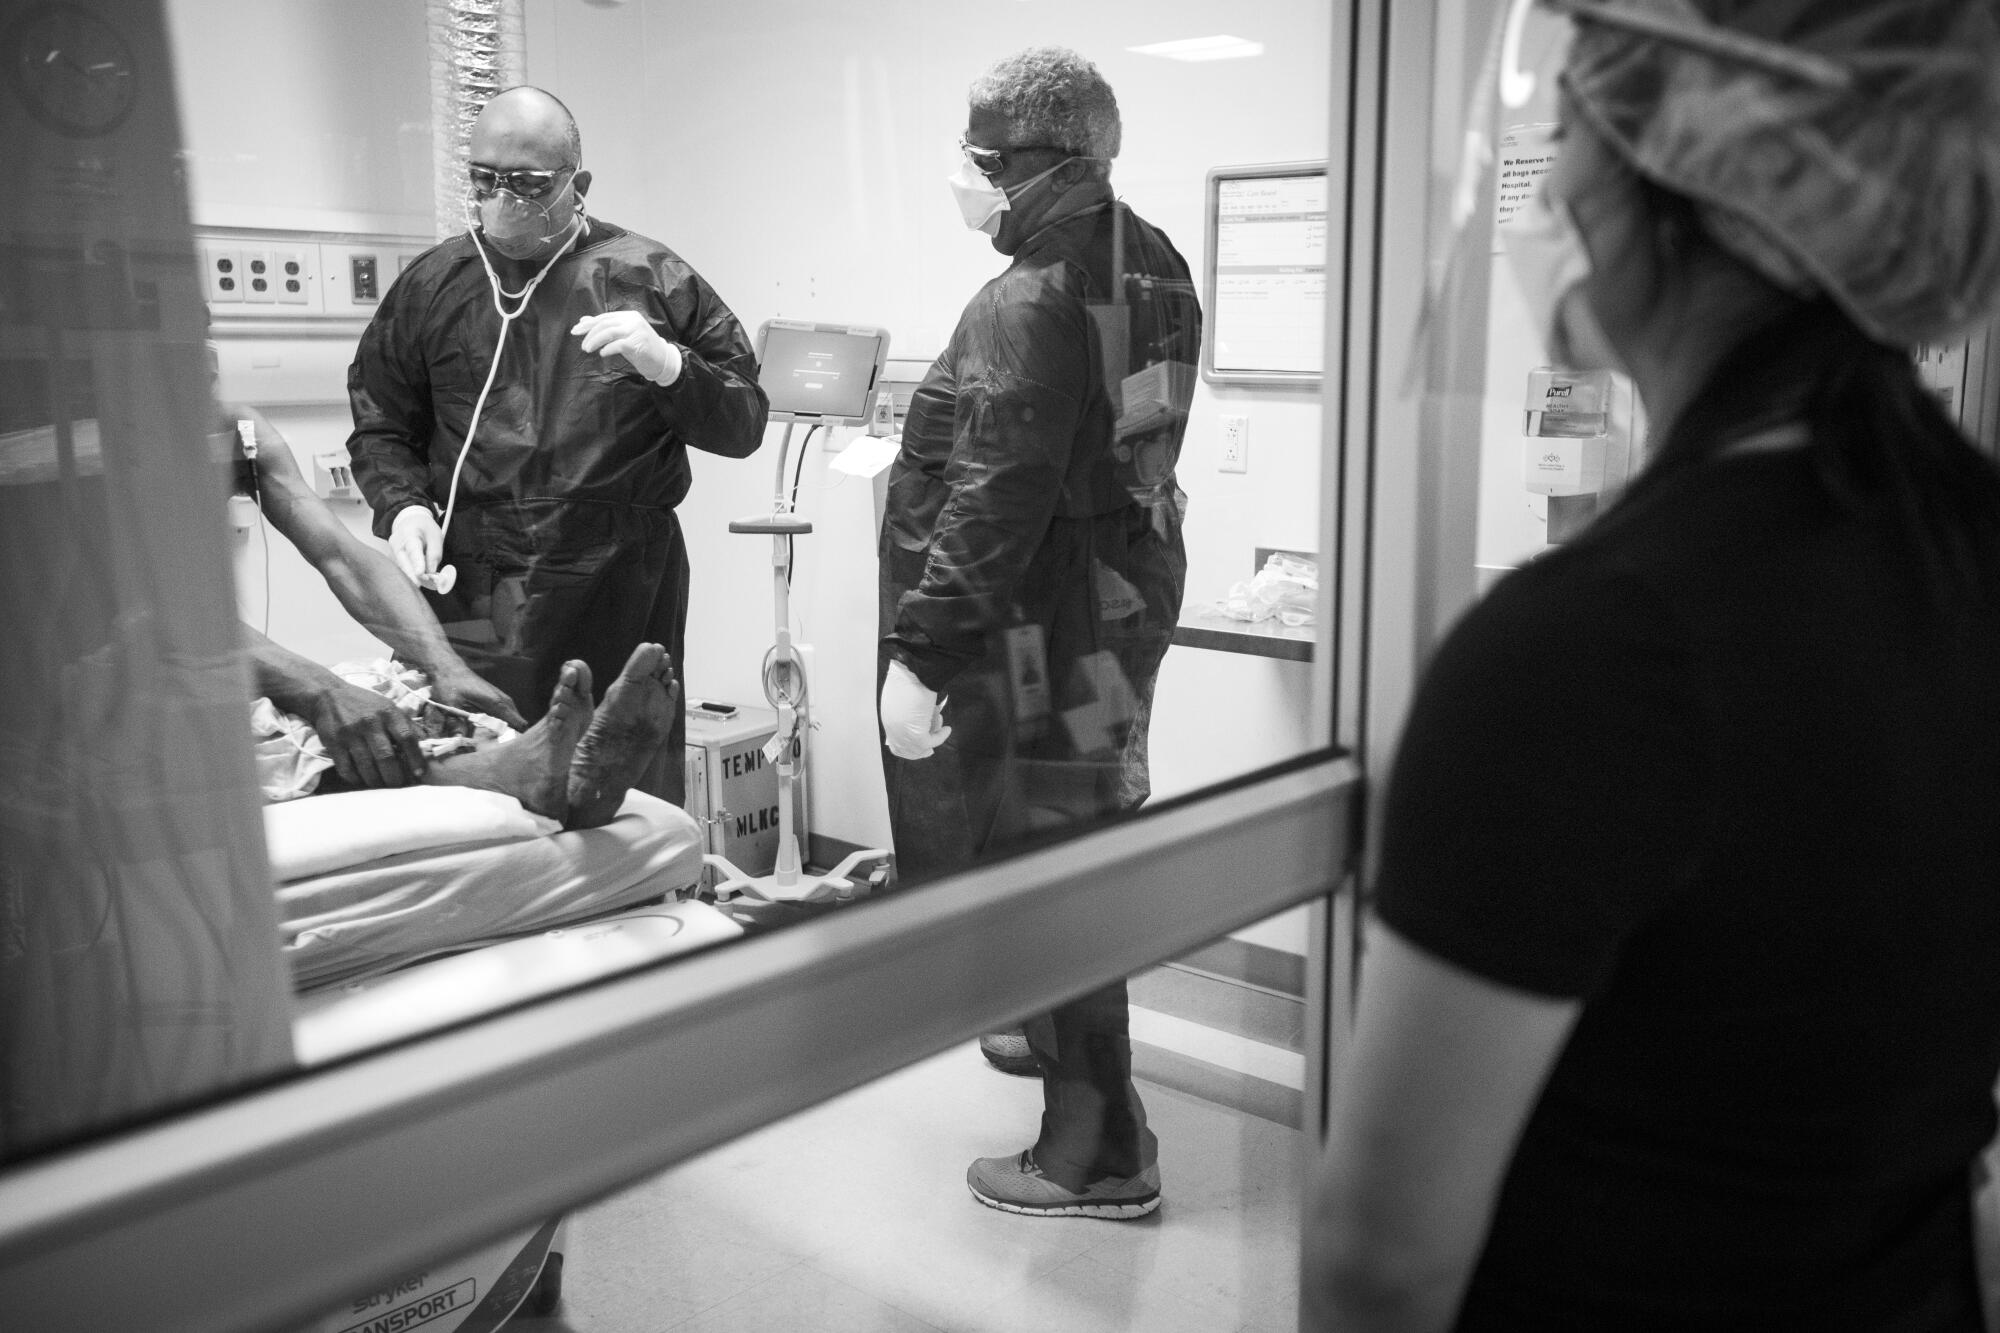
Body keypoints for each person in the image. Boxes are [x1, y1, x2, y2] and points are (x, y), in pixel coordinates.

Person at [1304, 2, 2000, 1329]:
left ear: (1696, 191)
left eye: (1573, 133)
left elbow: (1380, 1262)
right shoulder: (1965, 551)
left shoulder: (1587, 652)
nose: (1549, 181)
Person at [876, 46, 1201, 1220]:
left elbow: (996, 494)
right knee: (1086, 832)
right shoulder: (1151, 258)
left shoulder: (1024, 298)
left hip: (1043, 620)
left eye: (976, 156)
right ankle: (1045, 1034)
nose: (965, 177)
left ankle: (1097, 1150)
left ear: (1022, 165)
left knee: (1050, 859)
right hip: (1119, 595)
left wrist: (923, 653)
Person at [346, 85, 768, 808]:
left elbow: (743, 423)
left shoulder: (650, 279)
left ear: (579, 184)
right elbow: (382, 419)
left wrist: (671, 367)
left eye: (529, 184)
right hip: (475, 584)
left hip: (616, 580)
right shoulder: (434, 285)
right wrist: (405, 507)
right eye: (485, 179)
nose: (503, 198)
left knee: (619, 787)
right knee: (477, 777)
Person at [225, 403, 676, 829]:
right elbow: (171, 628)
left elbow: (342, 557)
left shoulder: (238, 427)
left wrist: (443, 665)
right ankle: (512, 775)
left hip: (218, 658)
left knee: (396, 690)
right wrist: (322, 691)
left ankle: (568, 784)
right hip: (171, 678)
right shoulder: (152, 446)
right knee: (266, 731)